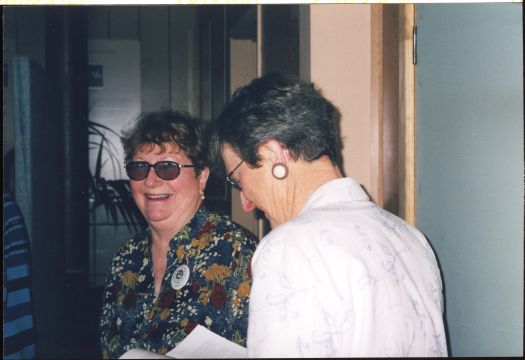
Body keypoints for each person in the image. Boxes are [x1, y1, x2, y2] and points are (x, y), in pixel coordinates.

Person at [211, 73, 448, 357]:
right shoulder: (412, 239)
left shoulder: (289, 248)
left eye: (237, 178)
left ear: (273, 156)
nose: (245, 199)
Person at [99, 111, 258, 358]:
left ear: (201, 176)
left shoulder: (236, 251)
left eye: (167, 167)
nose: (150, 182)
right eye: (140, 167)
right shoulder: (125, 258)